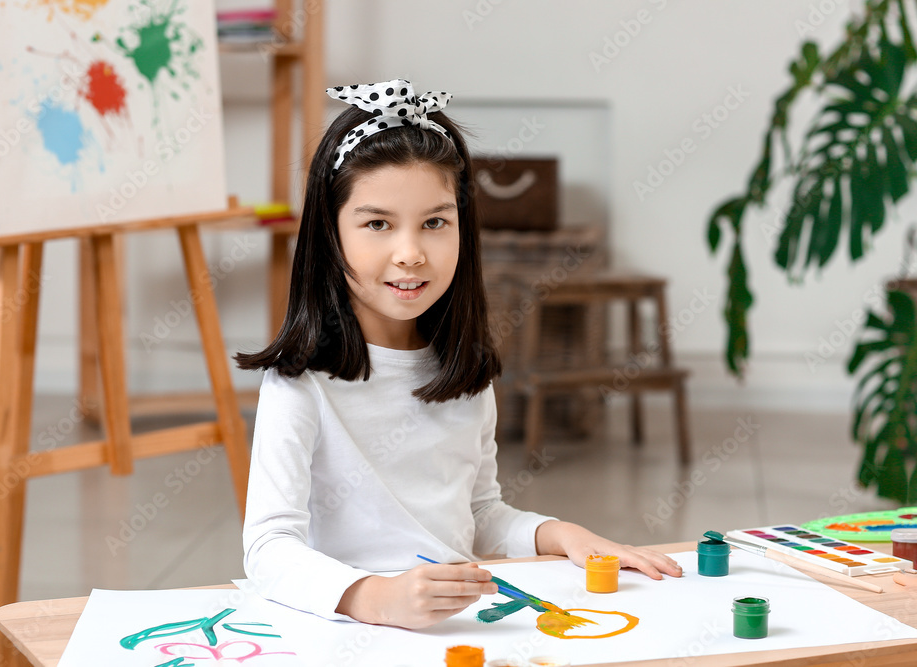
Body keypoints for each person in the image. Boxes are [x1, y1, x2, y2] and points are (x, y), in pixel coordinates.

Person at [237, 79, 681, 629]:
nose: (410, 253)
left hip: (449, 633)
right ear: (331, 234)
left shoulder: (463, 374)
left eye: (435, 223)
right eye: (378, 224)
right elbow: (268, 546)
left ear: (462, 230)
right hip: (340, 632)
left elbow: (478, 513)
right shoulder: (299, 385)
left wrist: (564, 535)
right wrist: (373, 598)